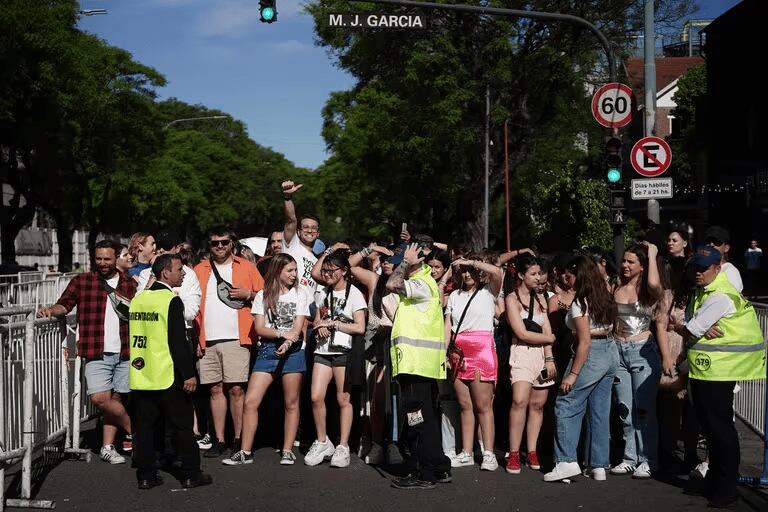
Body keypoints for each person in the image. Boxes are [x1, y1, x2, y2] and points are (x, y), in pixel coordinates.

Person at [671, 245, 765, 508]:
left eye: (704, 268)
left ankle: (727, 487)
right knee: (713, 430)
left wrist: (680, 326)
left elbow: (690, 327)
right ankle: (717, 481)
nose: (698, 273)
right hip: (707, 369)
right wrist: (692, 326)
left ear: (717, 268)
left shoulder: (720, 295)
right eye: (695, 268)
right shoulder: (705, 291)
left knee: (720, 430)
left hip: (719, 371)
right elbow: (694, 326)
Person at [37, 239, 136, 464]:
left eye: (107, 259)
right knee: (100, 398)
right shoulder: (83, 281)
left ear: (116, 258)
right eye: (98, 258)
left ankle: (108, 446)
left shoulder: (130, 284)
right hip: (95, 350)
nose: (102, 263)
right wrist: (51, 310)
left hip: (125, 350)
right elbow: (65, 304)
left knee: (116, 399)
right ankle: (134, 429)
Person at [128, 253, 212, 490]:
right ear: (166, 272)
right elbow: (177, 341)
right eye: (179, 269)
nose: (183, 273)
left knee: (144, 428)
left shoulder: (139, 299)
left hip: (142, 372)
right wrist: (188, 374)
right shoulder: (171, 300)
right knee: (183, 426)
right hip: (168, 373)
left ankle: (146, 475)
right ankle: (190, 473)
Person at [223, 254, 309, 466]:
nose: (294, 275)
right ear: (277, 271)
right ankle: (245, 450)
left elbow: (298, 328)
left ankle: (288, 449)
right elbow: (260, 328)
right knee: (251, 401)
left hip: (293, 351)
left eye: (295, 270)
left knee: (291, 401)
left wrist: (288, 342)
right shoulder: (263, 294)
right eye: (289, 270)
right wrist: (281, 335)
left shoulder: (300, 293)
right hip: (268, 350)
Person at [543, 255, 618, 482]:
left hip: (591, 354)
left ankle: (566, 461)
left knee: (566, 402)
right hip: (609, 351)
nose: (566, 277)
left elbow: (584, 342)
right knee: (599, 410)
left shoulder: (579, 303)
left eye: (570, 273)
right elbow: (610, 326)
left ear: (581, 275)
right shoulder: (603, 296)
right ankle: (598, 465)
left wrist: (573, 375)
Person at [387, 237, 452, 490]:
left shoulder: (422, 283)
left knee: (418, 418)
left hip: (416, 364)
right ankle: (437, 465)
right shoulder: (422, 281)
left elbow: (392, 283)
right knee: (422, 417)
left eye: (409, 252)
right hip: (415, 364)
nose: (404, 255)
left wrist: (406, 262)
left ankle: (425, 472)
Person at [194, 230, 264, 458]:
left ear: (231, 244)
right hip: (207, 338)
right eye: (215, 243)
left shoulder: (246, 266)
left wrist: (249, 294)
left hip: (238, 337)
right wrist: (196, 339)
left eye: (224, 242)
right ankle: (219, 438)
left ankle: (239, 438)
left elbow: (267, 295)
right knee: (214, 389)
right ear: (209, 246)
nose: (220, 247)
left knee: (236, 389)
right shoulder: (200, 269)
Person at [610, 243, 671, 479]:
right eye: (624, 261)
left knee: (644, 410)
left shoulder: (649, 290)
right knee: (625, 410)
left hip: (641, 351)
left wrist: (653, 253)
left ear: (642, 266)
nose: (625, 265)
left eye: (631, 262)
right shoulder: (616, 286)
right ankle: (629, 457)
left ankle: (648, 460)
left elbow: (656, 284)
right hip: (618, 349)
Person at [304, 249, 367, 468]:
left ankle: (343, 445)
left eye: (332, 270)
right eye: (326, 270)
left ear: (344, 271)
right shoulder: (322, 293)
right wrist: (319, 326)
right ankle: (322, 441)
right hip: (323, 351)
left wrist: (334, 324)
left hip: (344, 351)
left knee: (343, 400)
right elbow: (318, 318)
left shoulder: (355, 294)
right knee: (315, 396)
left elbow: (360, 327)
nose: (327, 274)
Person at [444, 254, 503, 472]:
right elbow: (447, 326)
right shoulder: (454, 296)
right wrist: (444, 353)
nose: (467, 274)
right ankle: (466, 452)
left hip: (482, 350)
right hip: (458, 351)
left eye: (470, 270)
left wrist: (471, 261)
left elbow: (497, 272)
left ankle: (488, 452)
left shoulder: (489, 292)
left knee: (483, 406)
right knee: (465, 405)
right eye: (463, 271)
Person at [505, 255, 556, 474]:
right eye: (533, 274)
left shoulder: (543, 299)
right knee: (519, 401)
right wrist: (549, 339)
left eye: (539, 274)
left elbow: (547, 328)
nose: (537, 278)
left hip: (542, 357)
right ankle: (514, 452)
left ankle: (532, 450)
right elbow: (521, 332)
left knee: (538, 404)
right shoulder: (512, 298)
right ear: (521, 275)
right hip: (522, 353)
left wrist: (549, 355)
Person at [280, 181, 321, 304]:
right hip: (287, 307)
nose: (310, 230)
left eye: (314, 228)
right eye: (306, 227)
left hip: (308, 315)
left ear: (318, 234)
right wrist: (288, 198)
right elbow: (291, 220)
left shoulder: (318, 261)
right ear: (298, 232)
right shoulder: (292, 244)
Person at [705, 226, 742, 292]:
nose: (711, 244)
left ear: (726, 248)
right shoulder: (701, 269)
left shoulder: (730, 272)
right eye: (708, 241)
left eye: (716, 242)